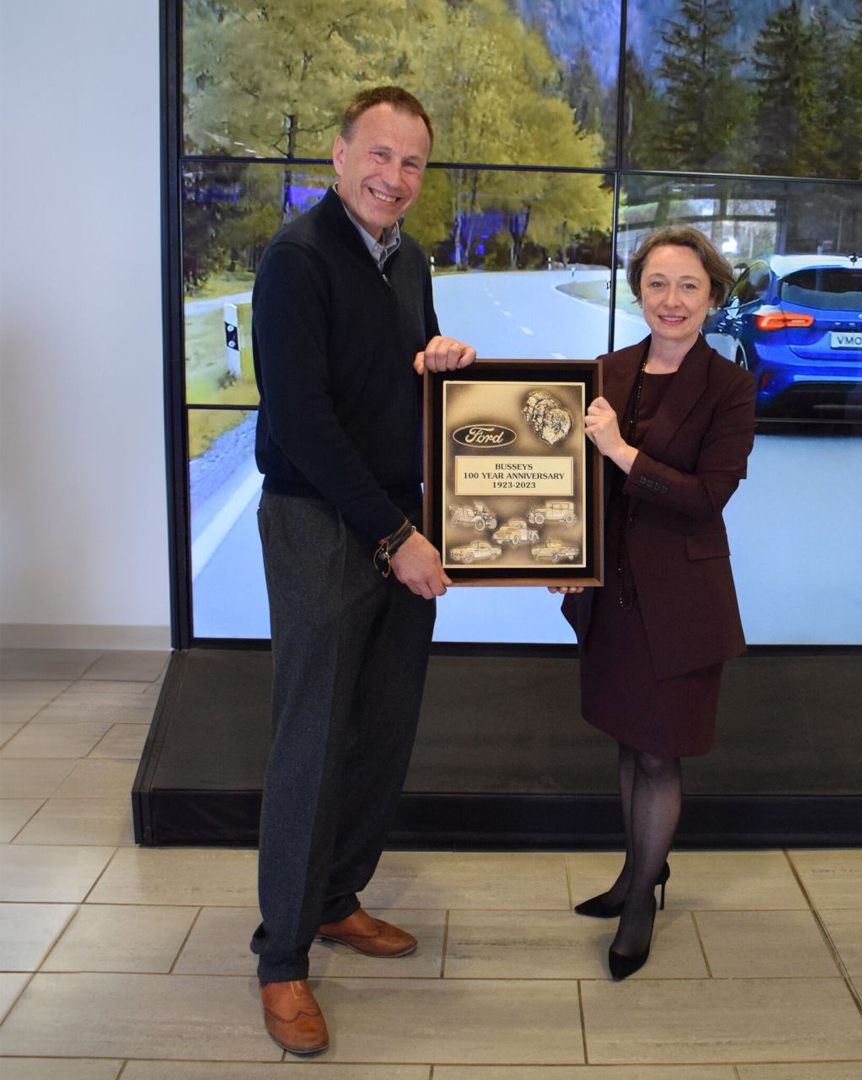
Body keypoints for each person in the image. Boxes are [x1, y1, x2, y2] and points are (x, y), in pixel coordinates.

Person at [249, 86, 476, 1055]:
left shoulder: (409, 259)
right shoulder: (297, 263)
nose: (394, 176)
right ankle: (282, 959)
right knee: (312, 737)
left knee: (382, 726)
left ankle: (339, 897)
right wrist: (394, 536)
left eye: (412, 162)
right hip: (322, 522)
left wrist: (439, 362)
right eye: (377, 155)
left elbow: (392, 380)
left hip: (397, 518)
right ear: (338, 157)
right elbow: (302, 419)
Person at [553, 227, 755, 980]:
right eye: (657, 284)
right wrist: (562, 552)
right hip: (614, 595)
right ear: (638, 290)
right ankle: (642, 868)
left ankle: (640, 900)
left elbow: (706, 499)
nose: (671, 300)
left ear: (713, 296)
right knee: (627, 739)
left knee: (658, 752)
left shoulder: (730, 387)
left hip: (681, 601)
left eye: (689, 286)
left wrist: (623, 452)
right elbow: (579, 487)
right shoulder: (606, 371)